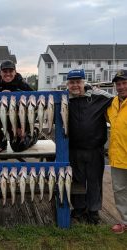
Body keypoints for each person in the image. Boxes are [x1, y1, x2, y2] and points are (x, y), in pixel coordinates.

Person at [67, 69, 113, 224]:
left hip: (95, 149)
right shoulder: (65, 100)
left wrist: (96, 89)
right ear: (67, 84)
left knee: (94, 181)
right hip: (74, 149)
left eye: (78, 82)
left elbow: (115, 99)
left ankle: (93, 211)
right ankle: (79, 209)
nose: (75, 86)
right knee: (77, 180)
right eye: (72, 82)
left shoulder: (98, 97)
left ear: (83, 82)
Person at [0, 60, 38, 153]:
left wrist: (24, 128)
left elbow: (34, 104)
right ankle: (1, 144)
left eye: (10, 71)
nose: (8, 74)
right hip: (3, 119)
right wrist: (0, 96)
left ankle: (33, 134)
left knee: (17, 147)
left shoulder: (22, 84)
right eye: (5, 71)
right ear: (0, 72)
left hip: (19, 121)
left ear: (15, 72)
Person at [107, 70, 127, 234]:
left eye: (124, 83)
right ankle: (125, 222)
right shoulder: (112, 103)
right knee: (120, 191)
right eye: (118, 84)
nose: (121, 87)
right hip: (118, 157)